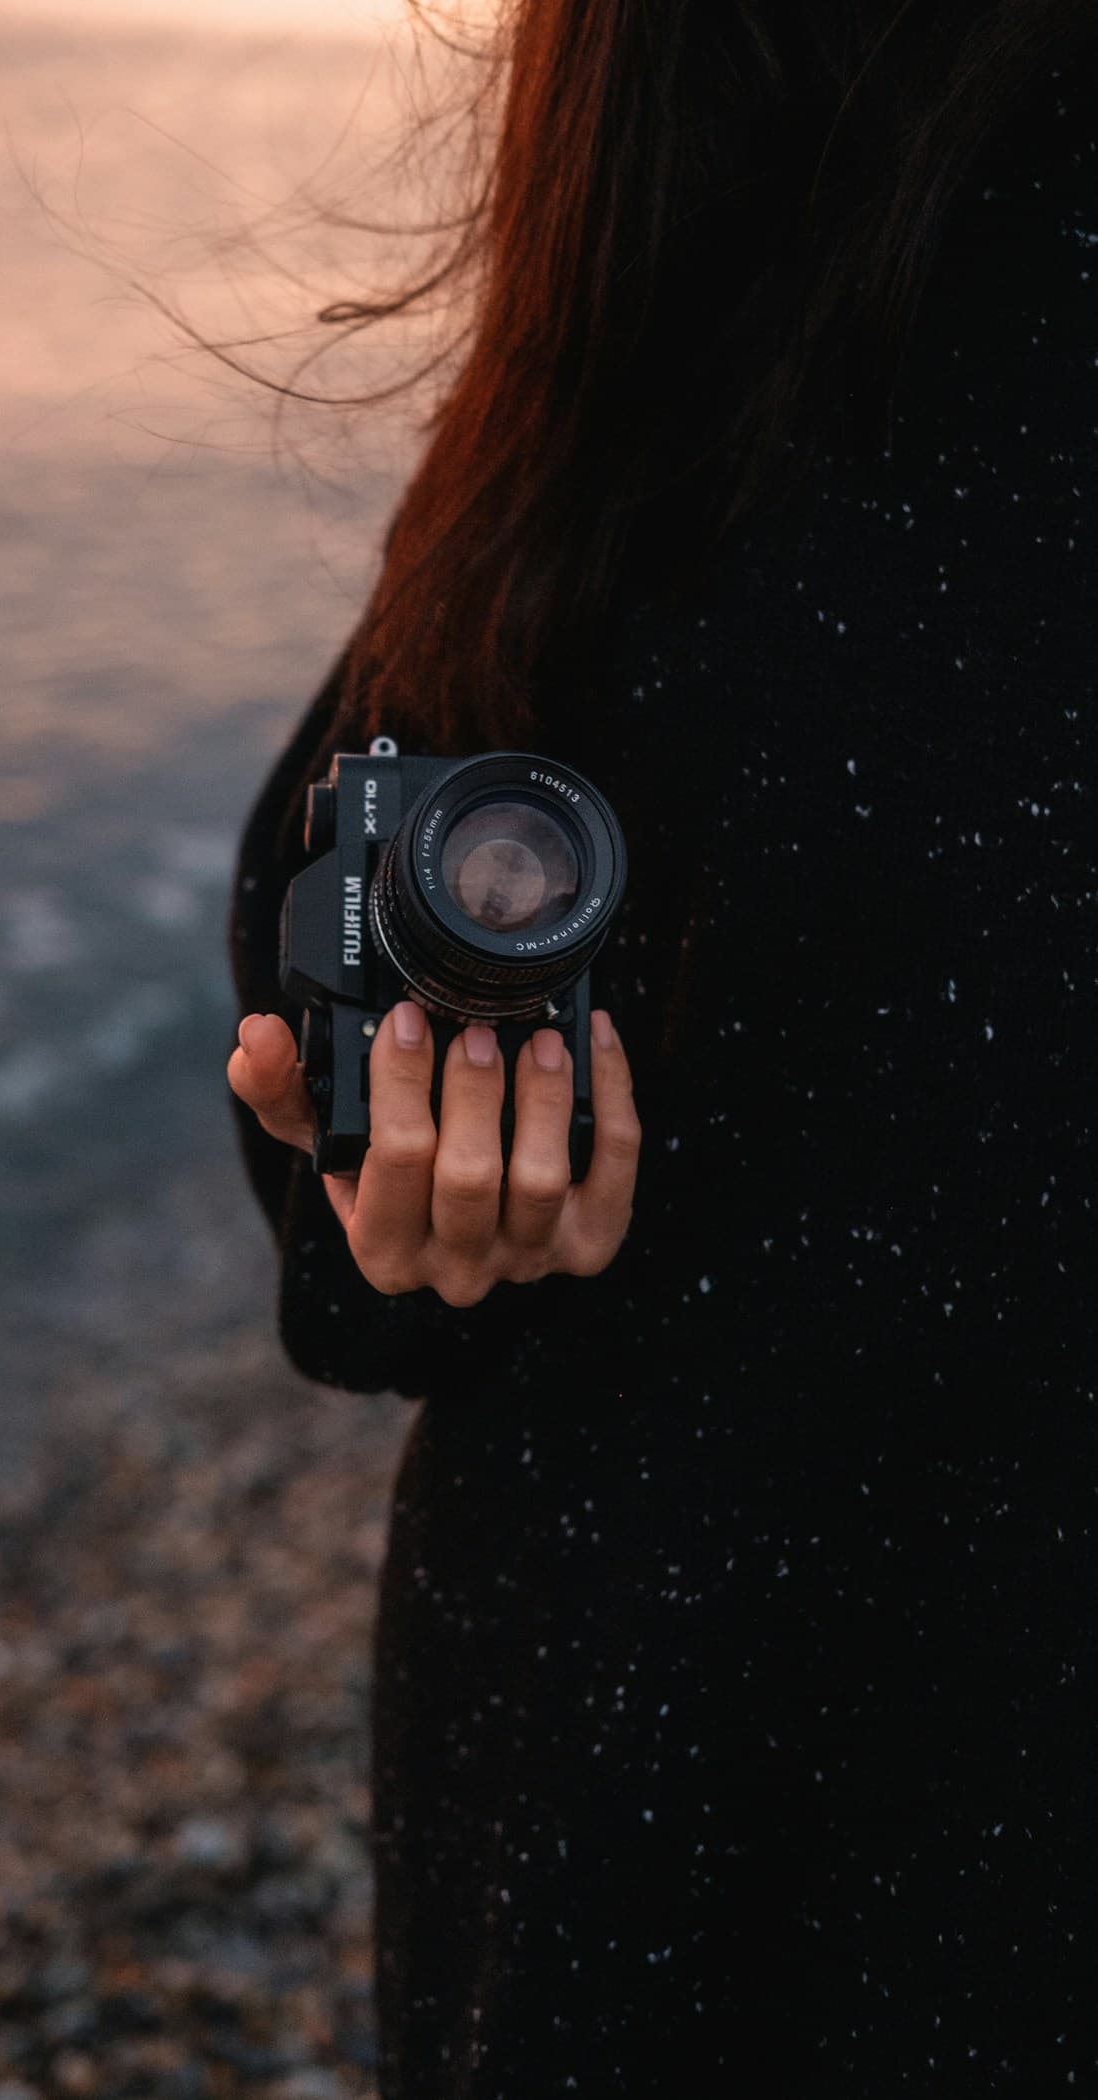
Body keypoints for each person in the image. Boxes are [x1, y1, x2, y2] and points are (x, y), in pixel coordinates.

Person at [227, 2, 1096, 2089]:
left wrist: (378, 1213)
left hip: (645, 1746)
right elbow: (331, 1087)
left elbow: (312, 1012)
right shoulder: (638, 386)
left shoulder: (634, 407)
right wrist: (396, 1212)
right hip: (669, 1735)